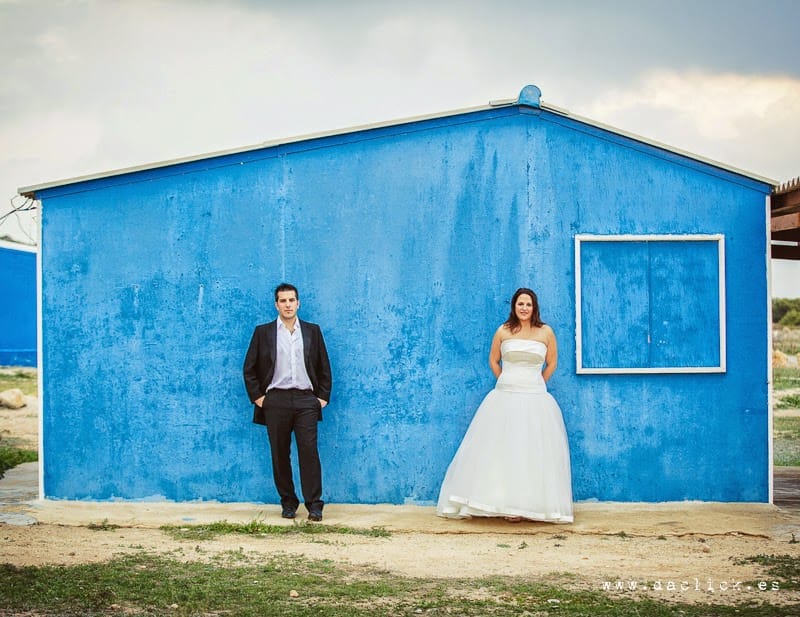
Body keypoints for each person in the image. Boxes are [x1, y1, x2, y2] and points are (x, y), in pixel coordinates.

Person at [437, 287, 573, 522]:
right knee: (501, 447)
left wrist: (538, 381)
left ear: (534, 307)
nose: (524, 308)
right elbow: (493, 359)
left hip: (535, 397)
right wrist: (504, 378)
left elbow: (552, 363)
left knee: (530, 449)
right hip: (505, 395)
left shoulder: (546, 332)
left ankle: (526, 505)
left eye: (528, 304)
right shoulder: (503, 330)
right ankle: (499, 502)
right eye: (520, 304)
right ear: (514, 306)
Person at [243, 283, 332, 522]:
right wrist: (260, 398)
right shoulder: (263, 332)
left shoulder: (312, 331)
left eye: (291, 300)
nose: (288, 305)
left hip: (306, 400)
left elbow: (324, 367)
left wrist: (321, 398)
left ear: (298, 303)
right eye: (283, 301)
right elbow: (249, 369)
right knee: (280, 454)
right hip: (276, 401)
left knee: (309, 452)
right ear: (276, 304)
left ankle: (314, 504)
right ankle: (288, 502)